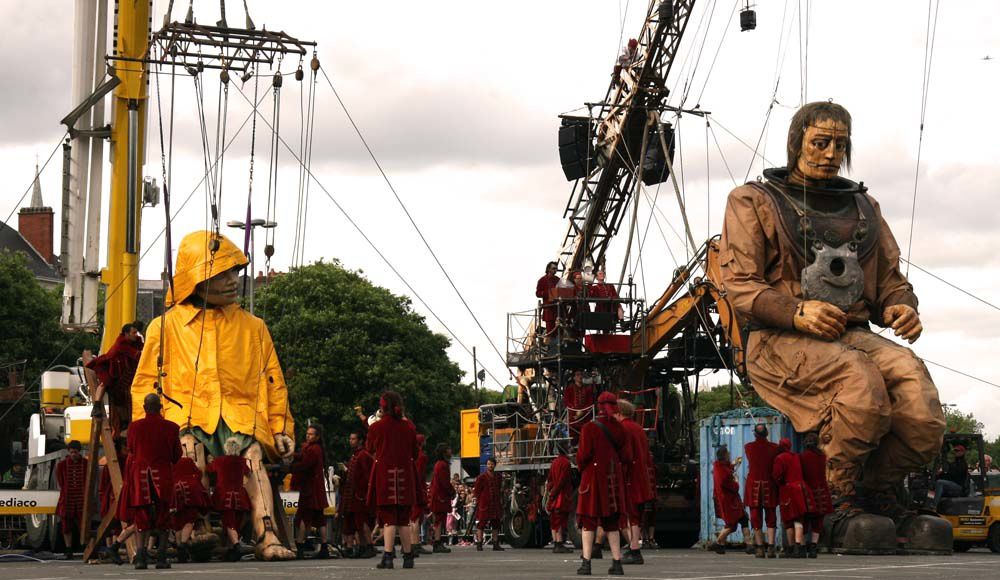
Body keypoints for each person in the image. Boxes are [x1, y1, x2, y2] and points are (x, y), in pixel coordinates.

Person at [718, 101, 948, 552]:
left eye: (839, 144)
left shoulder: (864, 207)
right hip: (779, 337)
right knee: (860, 385)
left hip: (851, 331)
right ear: (797, 142)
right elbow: (739, 284)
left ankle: (878, 494)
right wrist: (795, 311)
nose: (830, 153)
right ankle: (838, 500)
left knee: (920, 402)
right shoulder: (753, 201)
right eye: (819, 142)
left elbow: (890, 284)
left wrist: (902, 306)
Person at [130, 231, 297, 561]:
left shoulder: (254, 328)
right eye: (221, 273)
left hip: (238, 417)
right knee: (191, 456)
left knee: (251, 459)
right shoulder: (164, 327)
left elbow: (273, 381)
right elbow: (145, 384)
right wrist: (147, 435)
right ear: (195, 280)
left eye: (235, 271)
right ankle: (197, 526)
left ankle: (268, 535)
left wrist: (280, 428)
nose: (233, 280)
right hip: (185, 419)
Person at [576, 391, 631, 576]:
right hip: (612, 479)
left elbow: (582, 456)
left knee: (588, 522)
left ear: (598, 406)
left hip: (592, 479)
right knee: (612, 523)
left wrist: (582, 467)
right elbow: (626, 456)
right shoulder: (620, 429)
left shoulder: (589, 428)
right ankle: (617, 563)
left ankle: (586, 563)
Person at [125, 393, 182, 569]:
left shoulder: (134, 427)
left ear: (144, 408)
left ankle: (141, 557)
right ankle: (161, 558)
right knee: (164, 516)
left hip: (140, 477)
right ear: (161, 407)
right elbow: (176, 455)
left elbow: (131, 449)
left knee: (141, 516)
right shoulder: (172, 427)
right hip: (162, 477)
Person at [367, 391, 419, 569]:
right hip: (405, 476)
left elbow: (369, 447)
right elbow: (415, 453)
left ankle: (388, 557)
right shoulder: (409, 427)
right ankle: (408, 557)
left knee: (388, 518)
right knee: (404, 519)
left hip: (385, 476)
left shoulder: (376, 427)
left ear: (382, 407)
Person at [85, 323, 143, 437]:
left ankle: (124, 422)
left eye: (136, 333)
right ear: (126, 334)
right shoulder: (121, 343)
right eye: (133, 333)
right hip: (111, 367)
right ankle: (96, 406)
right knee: (104, 383)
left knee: (121, 398)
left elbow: (142, 347)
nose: (135, 335)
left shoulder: (136, 340)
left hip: (122, 370)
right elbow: (136, 355)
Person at [616, 400, 653, 565]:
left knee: (631, 515)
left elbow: (625, 455)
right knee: (636, 514)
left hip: (630, 476)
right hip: (641, 474)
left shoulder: (623, 428)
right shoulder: (638, 428)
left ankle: (634, 548)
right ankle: (633, 547)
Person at [291, 424, 332, 559]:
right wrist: (293, 455)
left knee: (302, 517)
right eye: (307, 433)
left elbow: (305, 464)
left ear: (317, 437)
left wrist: (289, 467)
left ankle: (300, 546)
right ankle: (324, 547)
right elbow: (302, 457)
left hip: (310, 489)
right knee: (319, 520)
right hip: (315, 488)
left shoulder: (314, 449)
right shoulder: (313, 448)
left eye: (311, 434)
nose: (308, 436)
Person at [208, 438, 252, 562]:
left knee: (229, 523)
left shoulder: (220, 461)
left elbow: (209, 469)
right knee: (236, 524)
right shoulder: (242, 461)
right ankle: (233, 549)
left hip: (224, 497)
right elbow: (249, 473)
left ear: (226, 448)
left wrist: (209, 460)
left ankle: (237, 546)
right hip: (240, 497)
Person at [772, 438, 814, 558]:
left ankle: (791, 548)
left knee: (788, 521)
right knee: (799, 519)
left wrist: (780, 484)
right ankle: (800, 548)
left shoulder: (780, 458)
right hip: (801, 489)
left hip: (788, 490)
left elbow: (776, 476)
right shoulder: (796, 456)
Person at [744, 424, 778, 558]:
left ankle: (759, 547)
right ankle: (770, 547)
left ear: (755, 435)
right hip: (769, 484)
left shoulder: (748, 447)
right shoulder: (775, 448)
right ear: (767, 433)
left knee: (755, 517)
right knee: (771, 516)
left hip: (753, 485)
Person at [171, 446, 210, 563]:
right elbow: (199, 474)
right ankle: (183, 545)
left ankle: (180, 550)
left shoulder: (173, 462)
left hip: (176, 489)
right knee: (189, 520)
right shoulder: (188, 461)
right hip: (191, 490)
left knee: (178, 522)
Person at [708, 446, 750, 554]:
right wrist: (736, 481)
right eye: (728, 453)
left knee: (742, 519)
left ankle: (747, 544)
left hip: (728, 500)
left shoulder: (718, 466)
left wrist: (734, 464)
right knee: (732, 525)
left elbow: (726, 469)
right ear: (725, 456)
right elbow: (732, 485)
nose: (729, 454)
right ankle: (718, 542)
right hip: (729, 501)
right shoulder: (723, 471)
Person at [342, 430, 375, 558]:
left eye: (353, 439)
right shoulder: (355, 455)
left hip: (360, 495)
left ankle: (370, 546)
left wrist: (366, 494)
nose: (351, 441)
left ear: (360, 440)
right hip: (353, 495)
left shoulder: (363, 455)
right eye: (350, 439)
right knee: (357, 523)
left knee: (363, 522)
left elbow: (368, 477)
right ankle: (362, 546)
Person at [800, 432, 832, 558]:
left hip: (807, 492)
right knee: (818, 522)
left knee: (804, 520)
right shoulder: (822, 457)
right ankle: (813, 547)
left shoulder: (802, 457)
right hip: (822, 491)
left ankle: (802, 547)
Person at [55, 440, 88, 559]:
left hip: (82, 500)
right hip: (68, 499)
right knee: (66, 525)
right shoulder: (62, 465)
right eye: (71, 452)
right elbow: (60, 481)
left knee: (83, 525)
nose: (73, 454)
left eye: (75, 452)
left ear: (79, 452)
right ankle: (68, 549)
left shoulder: (86, 463)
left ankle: (85, 547)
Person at [546, 441, 574, 554]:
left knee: (554, 520)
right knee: (561, 520)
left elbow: (550, 480)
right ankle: (559, 543)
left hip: (555, 494)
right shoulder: (566, 463)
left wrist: (551, 492)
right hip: (562, 495)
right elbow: (562, 481)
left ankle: (556, 542)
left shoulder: (554, 462)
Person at [472, 457, 504, 551]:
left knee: (496, 523)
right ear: (486, 465)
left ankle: (495, 543)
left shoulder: (498, 476)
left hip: (495, 503)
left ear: (495, 465)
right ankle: (479, 543)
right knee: (481, 523)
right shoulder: (481, 477)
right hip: (484, 503)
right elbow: (477, 491)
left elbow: (499, 488)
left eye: (492, 464)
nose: (490, 465)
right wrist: (477, 500)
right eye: (489, 464)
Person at [429, 443, 455, 553]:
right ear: (444, 452)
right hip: (440, 496)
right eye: (449, 449)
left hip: (438, 494)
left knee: (438, 520)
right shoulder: (442, 465)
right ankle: (437, 542)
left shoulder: (439, 464)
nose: (451, 451)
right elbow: (444, 482)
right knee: (439, 520)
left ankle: (437, 541)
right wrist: (452, 491)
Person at [929, 443, 969, 511]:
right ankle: (933, 503)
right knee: (934, 483)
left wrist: (945, 473)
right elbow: (949, 472)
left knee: (940, 482)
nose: (956, 452)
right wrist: (939, 475)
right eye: (955, 451)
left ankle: (934, 505)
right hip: (953, 484)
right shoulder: (955, 462)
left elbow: (954, 475)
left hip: (959, 487)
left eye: (958, 451)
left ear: (963, 452)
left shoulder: (962, 463)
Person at [409, 433, 431, 556]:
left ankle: (411, 543)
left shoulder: (411, 455)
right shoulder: (421, 456)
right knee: (416, 518)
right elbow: (420, 474)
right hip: (418, 488)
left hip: (412, 488)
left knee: (412, 518)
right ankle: (415, 544)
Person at [564, 370, 595, 444]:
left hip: (585, 417)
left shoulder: (587, 389)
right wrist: (575, 412)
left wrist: (583, 412)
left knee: (586, 436)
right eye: (578, 375)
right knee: (573, 437)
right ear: (574, 377)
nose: (580, 377)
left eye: (581, 375)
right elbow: (567, 402)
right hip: (573, 417)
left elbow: (590, 402)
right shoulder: (569, 389)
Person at [536, 261, 560, 337]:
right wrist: (548, 293)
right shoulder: (542, 280)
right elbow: (538, 293)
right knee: (550, 332)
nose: (555, 270)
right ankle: (552, 348)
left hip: (558, 309)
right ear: (548, 269)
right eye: (553, 268)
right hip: (549, 309)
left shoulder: (558, 279)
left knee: (559, 332)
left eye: (556, 269)